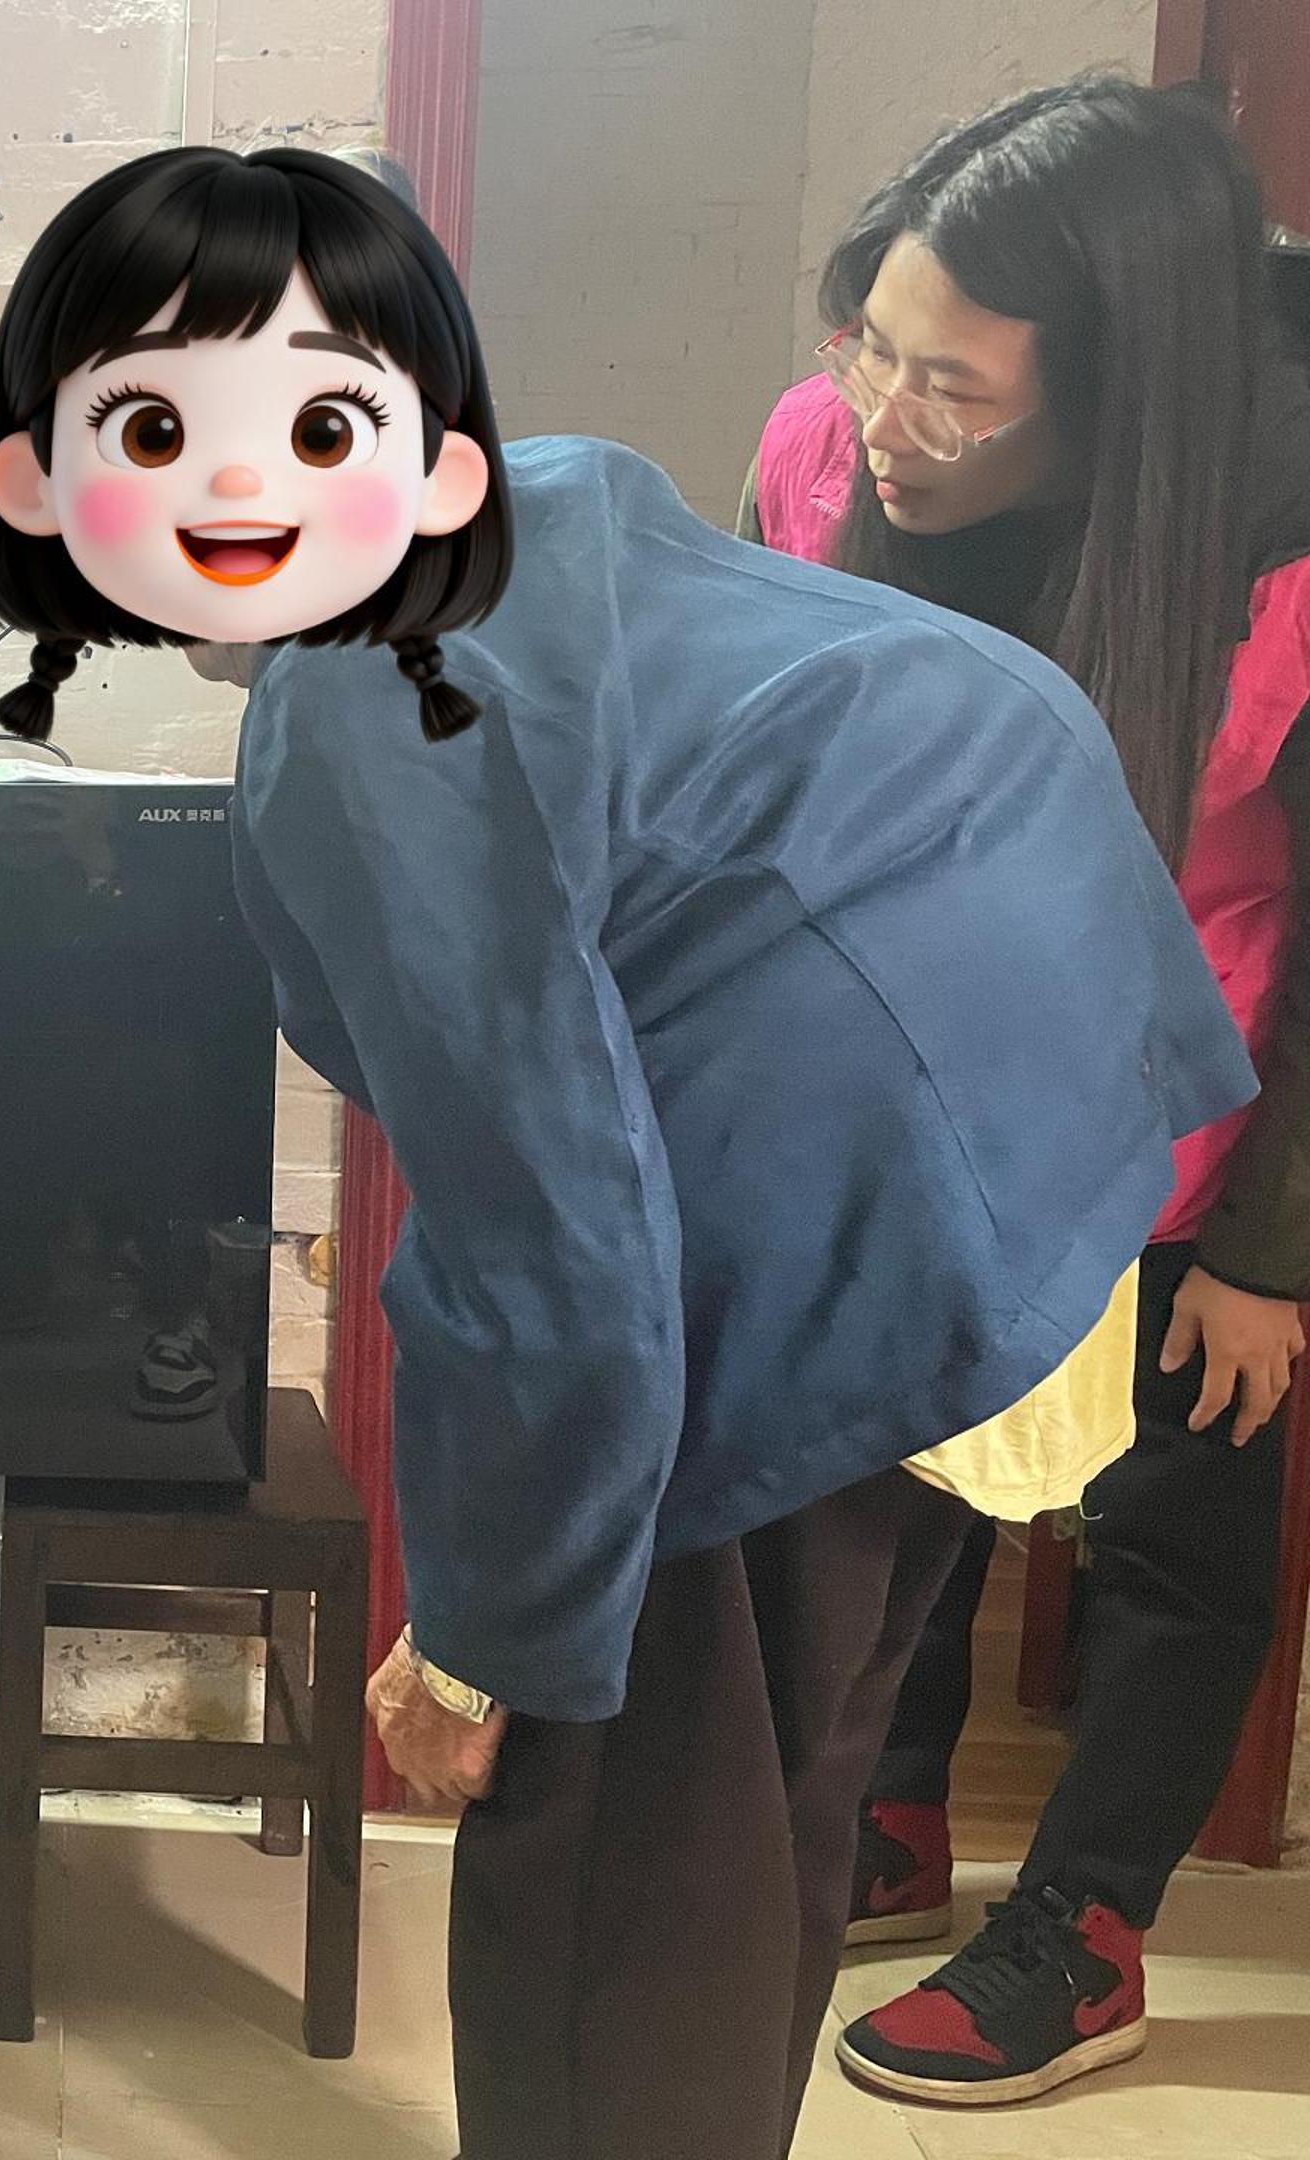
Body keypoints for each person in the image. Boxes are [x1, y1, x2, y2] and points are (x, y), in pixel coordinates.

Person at [0, 143, 1253, 2160]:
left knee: (611, 1884)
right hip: (1039, 1115)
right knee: (757, 1829)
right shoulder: (534, 510)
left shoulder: (367, 693)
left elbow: (542, 1225)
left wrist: (487, 1633)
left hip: (854, 1177)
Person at [742, 76, 1310, 2107]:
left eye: (954, 388)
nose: (886, 417)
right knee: (910, 1465)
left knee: (1173, 1520)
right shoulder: (828, 445)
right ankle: (893, 1814)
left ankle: (1084, 1929)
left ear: (1115, 398)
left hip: (1187, 1132)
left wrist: (1272, 1253)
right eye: (873, 344)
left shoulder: (1277, 546)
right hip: (919, 1109)